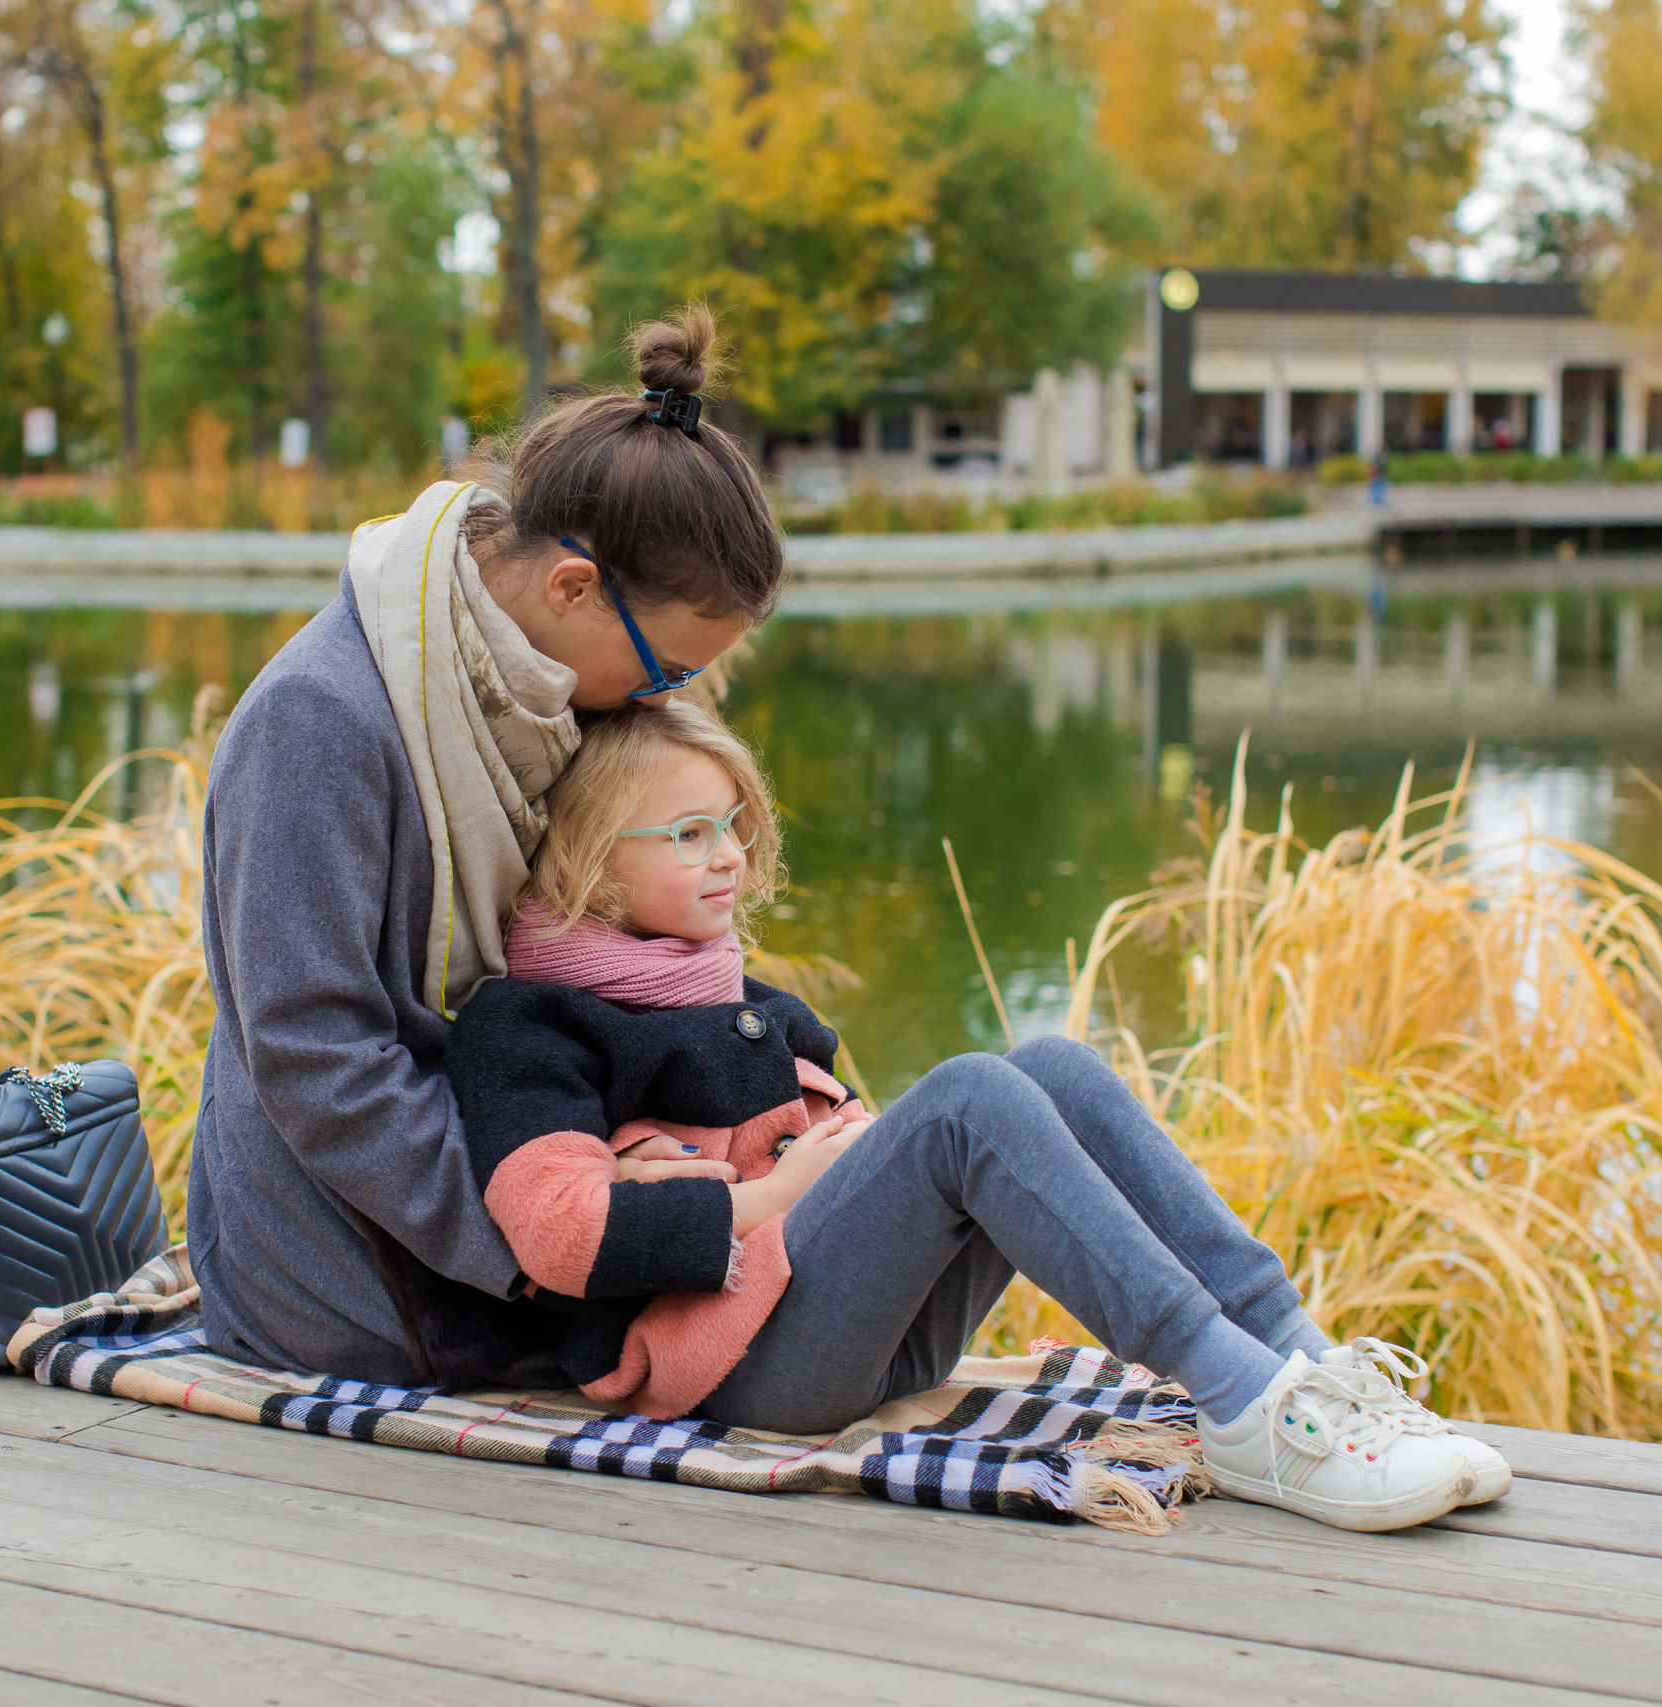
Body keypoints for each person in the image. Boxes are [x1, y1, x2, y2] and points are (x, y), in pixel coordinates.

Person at [444, 699, 1511, 1533]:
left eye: (733, 825)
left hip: (847, 1340)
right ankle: (1242, 1408)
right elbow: (560, 1230)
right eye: (687, 833)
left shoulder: (729, 994)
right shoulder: (528, 1027)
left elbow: (842, 1174)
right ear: (588, 856)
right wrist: (771, 1192)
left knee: (1055, 1064)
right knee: (967, 1096)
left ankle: (1299, 1364)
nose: (727, 853)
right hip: (735, 1374)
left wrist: (831, 1165)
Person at [186, 304, 781, 1395]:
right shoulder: (320, 724)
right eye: (663, 672)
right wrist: (576, 1236)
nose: (666, 701)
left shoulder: (535, 697)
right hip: (364, 1273)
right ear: (570, 587)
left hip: (572, 1183)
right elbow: (317, 1061)